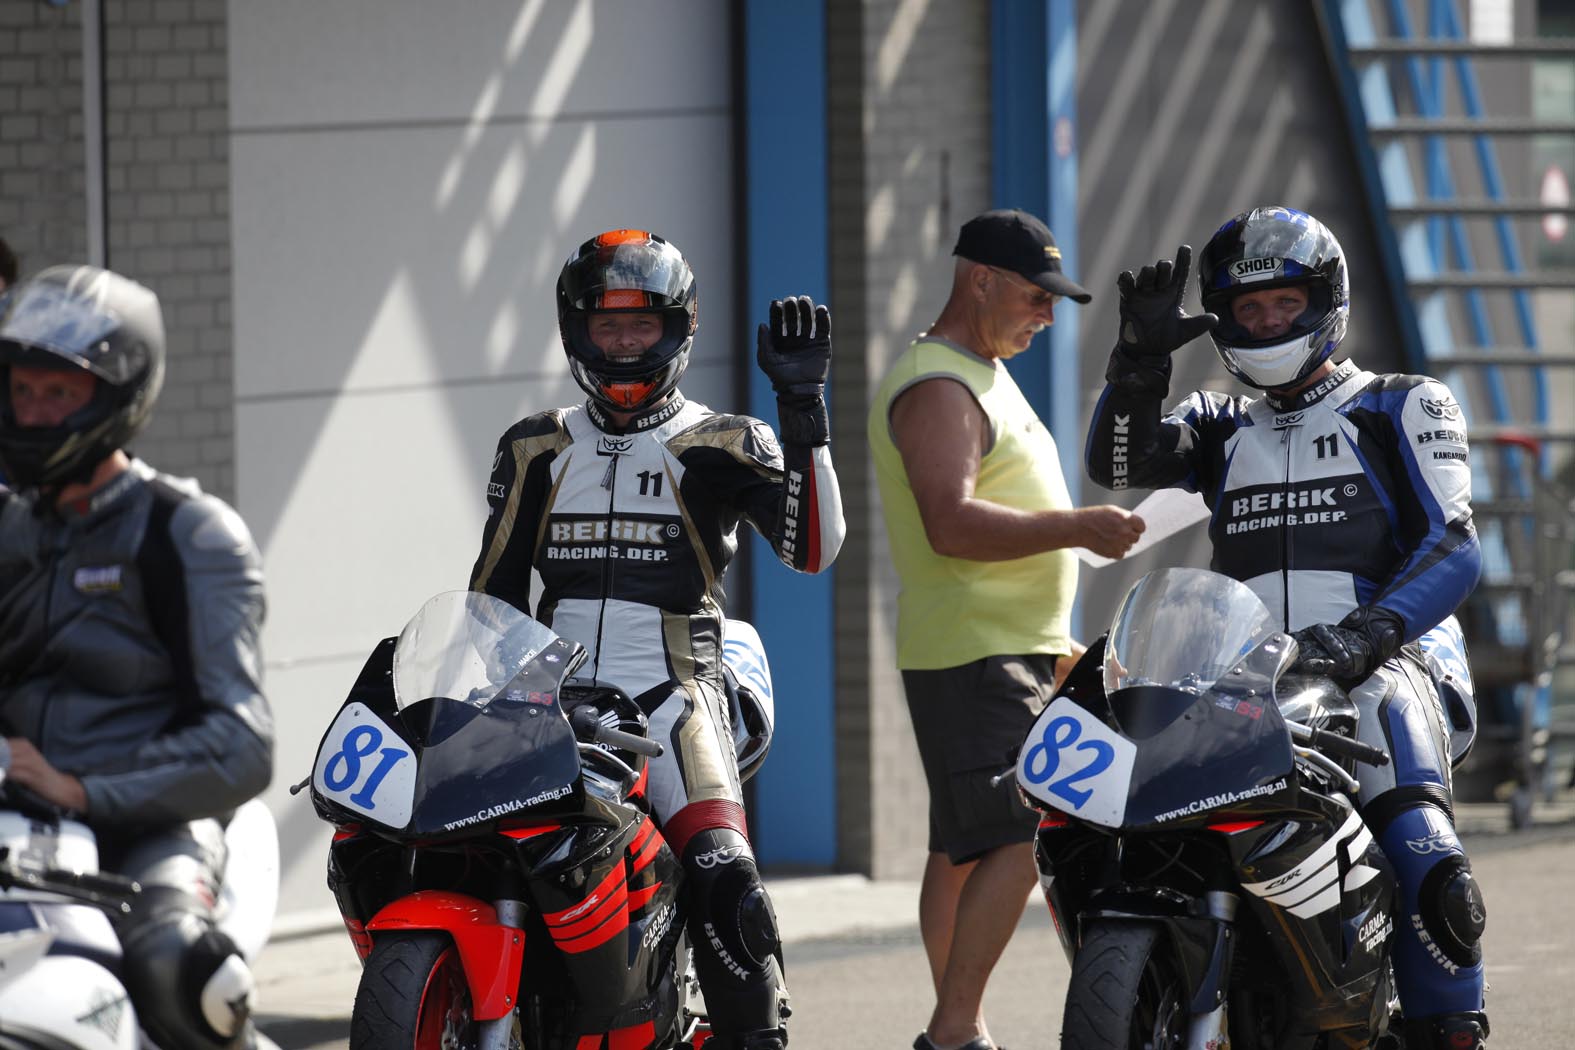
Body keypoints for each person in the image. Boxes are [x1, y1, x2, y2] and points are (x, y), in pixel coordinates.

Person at [1086, 205, 1489, 1048]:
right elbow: (1116, 465)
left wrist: (1361, 638)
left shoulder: (1400, 404)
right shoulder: (1221, 423)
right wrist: (1134, 367)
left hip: (1384, 662)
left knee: (1421, 850)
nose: (1267, 321)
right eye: (1247, 308)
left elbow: (1451, 546)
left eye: (1284, 303)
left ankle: (1447, 1028)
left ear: (1325, 303)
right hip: (1248, 676)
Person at [469, 228, 844, 1050]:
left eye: (641, 326)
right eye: (609, 327)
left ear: (677, 329)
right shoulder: (534, 444)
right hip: (552, 703)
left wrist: (803, 413)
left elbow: (812, 550)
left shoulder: (722, 440)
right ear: (577, 332)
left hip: (675, 698)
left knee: (727, 880)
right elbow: (492, 594)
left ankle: (753, 1037)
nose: (625, 344)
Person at [866, 209, 1145, 1050]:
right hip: (972, 651)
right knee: (1028, 827)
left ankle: (962, 1028)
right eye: (1035, 296)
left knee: (961, 848)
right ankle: (954, 1031)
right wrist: (1076, 528)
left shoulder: (977, 370)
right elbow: (949, 523)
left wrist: (1052, 635)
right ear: (978, 280)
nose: (1047, 315)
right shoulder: (938, 384)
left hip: (1007, 648)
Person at [0, 265, 274, 1050]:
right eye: (23, 391)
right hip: (20, 811)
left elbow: (242, 745)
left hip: (153, 822)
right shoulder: (9, 529)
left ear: (117, 395)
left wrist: (82, 787)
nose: (33, 412)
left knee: (180, 973)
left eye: (60, 394)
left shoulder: (187, 532)